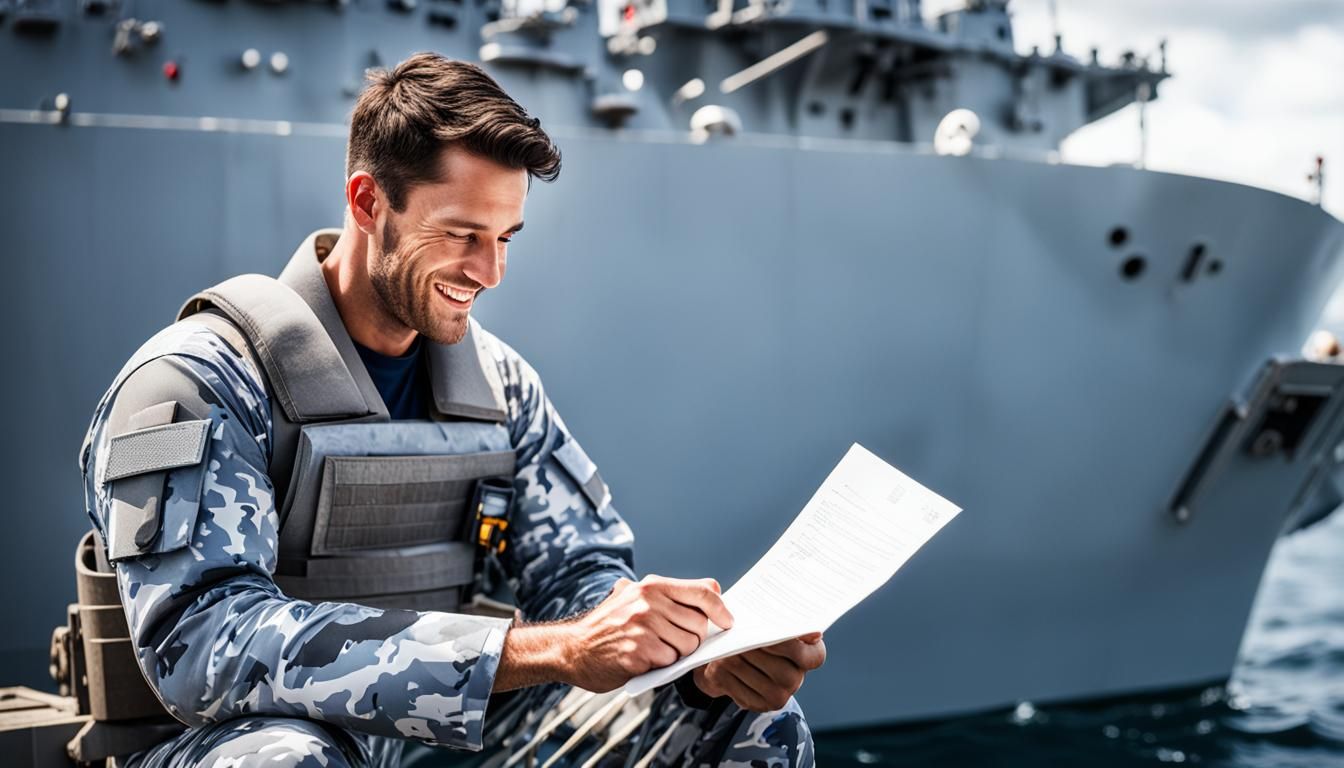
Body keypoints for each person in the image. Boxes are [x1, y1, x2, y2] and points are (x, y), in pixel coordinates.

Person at [79, 53, 825, 767]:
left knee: (744, 717)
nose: (491, 271)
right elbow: (204, 649)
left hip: (440, 739)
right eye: (463, 235)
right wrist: (542, 651)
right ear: (370, 203)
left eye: (504, 238)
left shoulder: (500, 388)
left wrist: (687, 656)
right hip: (238, 744)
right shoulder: (195, 382)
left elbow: (578, 576)